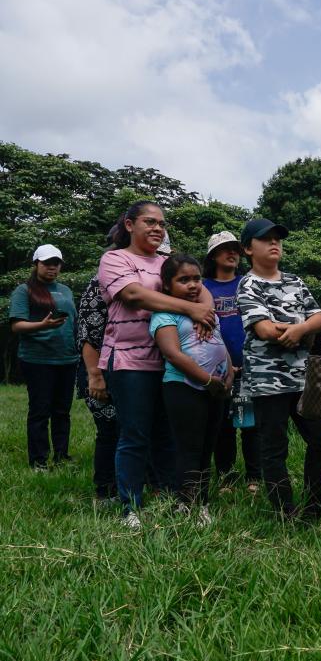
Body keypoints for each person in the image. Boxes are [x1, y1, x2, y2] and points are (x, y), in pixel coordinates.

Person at [99, 202, 218, 528]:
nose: (157, 228)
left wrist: (201, 311)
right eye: (149, 222)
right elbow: (134, 295)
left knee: (170, 434)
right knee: (135, 433)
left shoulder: (168, 262)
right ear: (128, 224)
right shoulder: (115, 259)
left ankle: (172, 498)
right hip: (129, 360)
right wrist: (189, 309)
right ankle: (131, 508)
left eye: (162, 224)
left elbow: (203, 295)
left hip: (173, 363)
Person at [236, 218, 321, 520]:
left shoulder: (295, 280)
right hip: (268, 379)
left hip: (303, 376)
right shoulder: (248, 285)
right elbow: (264, 329)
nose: (274, 243)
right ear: (248, 249)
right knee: (274, 446)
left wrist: (298, 329)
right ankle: (285, 510)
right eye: (265, 239)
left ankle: (316, 500)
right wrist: (299, 331)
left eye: (277, 238)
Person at [151, 254, 233, 526]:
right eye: (183, 280)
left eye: (196, 279)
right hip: (184, 388)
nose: (192, 285)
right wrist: (208, 381)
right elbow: (173, 354)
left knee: (207, 448)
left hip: (216, 390)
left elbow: (221, 344)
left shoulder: (206, 312)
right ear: (167, 286)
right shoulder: (163, 314)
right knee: (189, 448)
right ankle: (185, 504)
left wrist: (229, 373)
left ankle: (203, 503)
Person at [8, 244, 78, 471]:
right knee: (40, 410)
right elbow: (17, 326)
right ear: (36, 264)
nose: (52, 267)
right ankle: (38, 460)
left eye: (56, 263)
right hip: (38, 359)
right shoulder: (24, 290)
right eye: (47, 263)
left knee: (62, 411)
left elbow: (75, 322)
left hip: (67, 357)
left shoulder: (66, 290)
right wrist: (43, 324)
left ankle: (61, 455)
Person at [203, 230, 262, 493]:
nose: (232, 253)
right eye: (225, 249)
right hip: (216, 367)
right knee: (222, 425)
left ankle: (255, 477)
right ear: (213, 255)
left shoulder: (247, 283)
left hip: (249, 364)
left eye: (235, 249)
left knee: (250, 423)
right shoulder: (203, 286)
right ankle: (226, 475)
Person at [76, 272, 119, 501]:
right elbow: (88, 331)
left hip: (137, 368)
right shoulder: (102, 279)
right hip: (102, 370)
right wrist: (95, 375)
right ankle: (105, 491)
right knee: (109, 430)